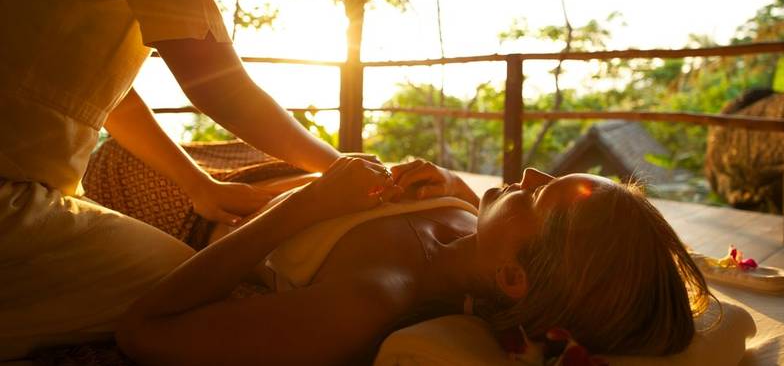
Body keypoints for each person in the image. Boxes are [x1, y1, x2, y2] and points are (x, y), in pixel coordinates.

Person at [0, 0, 354, 358]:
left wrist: (199, 186)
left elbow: (109, 96)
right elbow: (218, 84)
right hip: (8, 200)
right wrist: (341, 169)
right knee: (188, 288)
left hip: (22, 184)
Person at [116, 158, 712, 365]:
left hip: (184, 200)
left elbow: (144, 331)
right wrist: (448, 181)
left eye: (537, 194)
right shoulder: (470, 222)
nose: (530, 173)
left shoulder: (370, 298)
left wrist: (310, 202)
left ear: (510, 274)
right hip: (257, 168)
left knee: (114, 153)